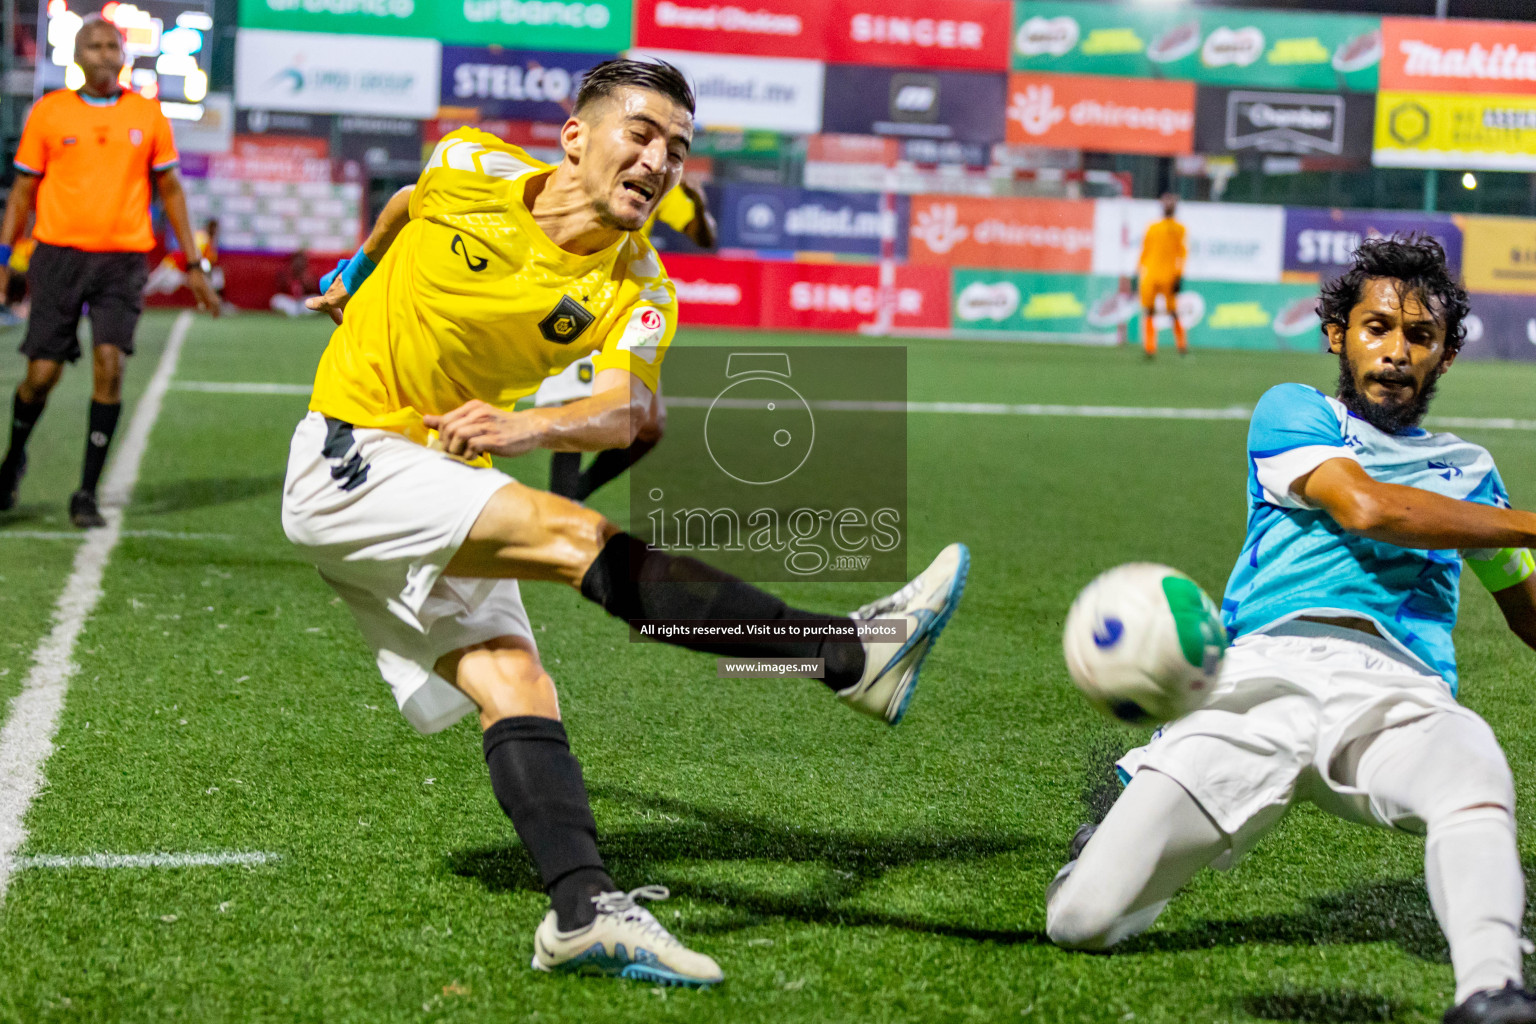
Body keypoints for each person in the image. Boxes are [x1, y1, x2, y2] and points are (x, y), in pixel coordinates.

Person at [288, 59, 969, 988]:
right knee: (574, 540)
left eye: (678, 151)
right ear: (577, 138)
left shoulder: (640, 287)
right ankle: (846, 655)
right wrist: (358, 269)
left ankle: (581, 912)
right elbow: (410, 199)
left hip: (442, 474)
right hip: (353, 455)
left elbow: (627, 413)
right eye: (642, 135)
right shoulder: (471, 165)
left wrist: (527, 424)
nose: (660, 161)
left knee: (517, 684)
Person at [1046, 236, 1536, 1024]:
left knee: (1474, 768)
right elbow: (1367, 507)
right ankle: (1119, 824)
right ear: (1338, 334)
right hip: (1258, 680)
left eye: (1420, 337)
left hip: (1397, 691)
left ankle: (1492, 991)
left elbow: (1529, 615)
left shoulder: (1471, 472)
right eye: (1377, 328)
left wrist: (1510, 533)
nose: (1397, 352)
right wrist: (1525, 525)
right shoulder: (1296, 413)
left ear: (1445, 357)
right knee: (1081, 922)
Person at [0, 15, 218, 526]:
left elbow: (171, 192)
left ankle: (86, 493)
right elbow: (23, 194)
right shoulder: (49, 113)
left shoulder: (148, 114)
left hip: (123, 262)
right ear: (78, 56)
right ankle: (12, 460)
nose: (104, 53)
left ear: (123, 54)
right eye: (94, 46)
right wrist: (6, 257)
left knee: (111, 366)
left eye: (111, 46)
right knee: (41, 376)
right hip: (58, 257)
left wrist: (193, 264)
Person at [540, 177, 716, 502]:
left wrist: (700, 203)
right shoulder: (596, 168)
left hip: (633, 303)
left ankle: (574, 495)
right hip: (586, 293)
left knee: (650, 426)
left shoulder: (663, 185)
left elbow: (706, 238)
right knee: (577, 407)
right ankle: (561, 512)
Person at [1136, 193, 1187, 359]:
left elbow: (1182, 254)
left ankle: (1182, 346)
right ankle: (1150, 348)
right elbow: (1144, 251)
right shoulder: (1152, 227)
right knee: (1149, 311)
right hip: (1151, 275)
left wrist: (1179, 276)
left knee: (1172, 311)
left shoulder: (1178, 229)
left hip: (1168, 276)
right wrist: (1137, 271)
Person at [144, 217, 225, 304]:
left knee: (217, 278)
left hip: (186, 271)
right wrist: (205, 270)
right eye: (213, 228)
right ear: (208, 227)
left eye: (215, 229)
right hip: (174, 265)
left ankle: (219, 302)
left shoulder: (210, 242)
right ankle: (132, 297)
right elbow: (195, 257)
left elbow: (206, 262)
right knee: (151, 285)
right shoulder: (202, 237)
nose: (214, 231)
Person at [270, 250, 319, 317]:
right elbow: (280, 289)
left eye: (301, 261)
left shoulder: (309, 274)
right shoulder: (286, 273)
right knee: (276, 299)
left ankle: (301, 314)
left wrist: (306, 282)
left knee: (317, 299)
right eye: (297, 261)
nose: (298, 263)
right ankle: (293, 314)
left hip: (303, 303)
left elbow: (314, 289)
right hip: (290, 302)